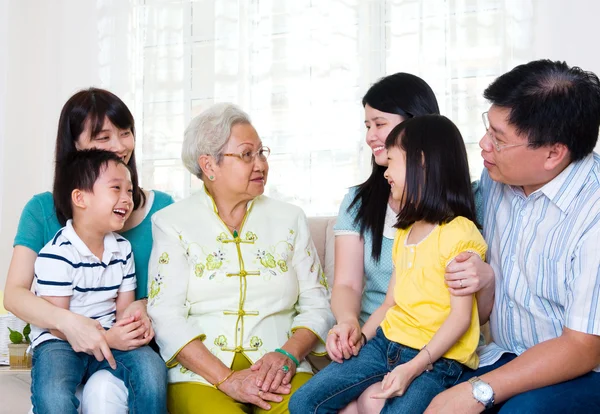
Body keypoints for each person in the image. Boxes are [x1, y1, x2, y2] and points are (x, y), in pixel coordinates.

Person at [426, 59, 600, 413]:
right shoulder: (497, 177)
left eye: (498, 139)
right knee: (417, 396)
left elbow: (583, 346)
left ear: (553, 152)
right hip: (504, 355)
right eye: (488, 129)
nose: (483, 145)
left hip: (582, 368)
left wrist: (478, 391)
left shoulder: (593, 212)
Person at [290, 115, 488, 413]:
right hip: (386, 343)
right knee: (305, 402)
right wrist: (361, 338)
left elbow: (460, 320)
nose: (385, 173)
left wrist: (414, 367)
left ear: (419, 163)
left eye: (392, 161)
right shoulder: (405, 232)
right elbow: (389, 304)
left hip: (438, 359)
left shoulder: (459, 233)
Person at [147, 102, 335, 414]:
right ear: (209, 165)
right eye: (247, 154)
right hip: (199, 376)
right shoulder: (172, 223)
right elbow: (166, 316)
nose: (260, 164)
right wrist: (227, 379)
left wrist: (288, 355)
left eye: (262, 153)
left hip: (281, 372)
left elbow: (318, 303)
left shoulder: (290, 218)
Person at [4, 88, 174, 413]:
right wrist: (70, 323)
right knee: (55, 392)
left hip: (123, 339)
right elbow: (15, 293)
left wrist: (144, 307)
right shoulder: (43, 215)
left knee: (108, 389)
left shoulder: (160, 212)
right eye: (103, 135)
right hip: (62, 341)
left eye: (125, 133)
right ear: (76, 145)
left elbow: (180, 291)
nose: (120, 145)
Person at [29, 149, 166, 414]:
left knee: (151, 369)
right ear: (80, 198)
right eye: (116, 188)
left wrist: (134, 326)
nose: (126, 199)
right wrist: (109, 339)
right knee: (53, 395)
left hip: (109, 335)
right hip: (60, 343)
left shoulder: (122, 250)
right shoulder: (57, 253)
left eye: (129, 191)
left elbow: (123, 312)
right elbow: (58, 326)